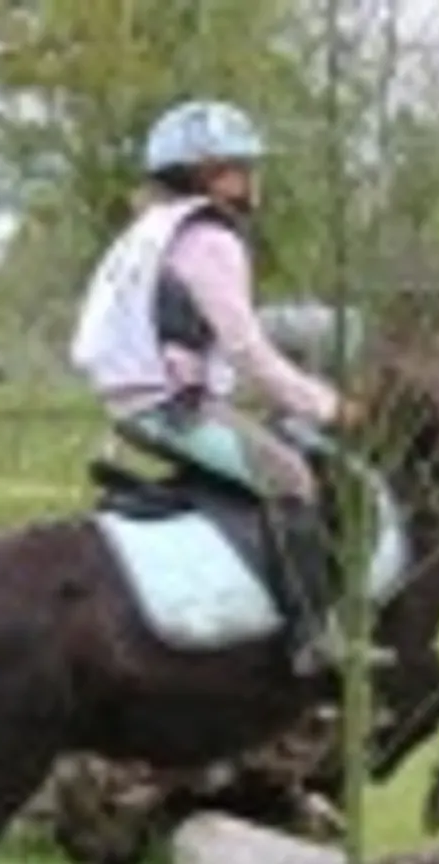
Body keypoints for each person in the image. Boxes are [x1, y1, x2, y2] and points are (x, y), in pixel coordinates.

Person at [69, 97, 369, 677]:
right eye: (242, 166)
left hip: (135, 399)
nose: (253, 179)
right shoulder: (210, 239)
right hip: (172, 408)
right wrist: (329, 407)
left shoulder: (149, 230)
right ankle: (314, 638)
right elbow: (247, 350)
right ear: (209, 175)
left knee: (273, 442)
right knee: (291, 476)